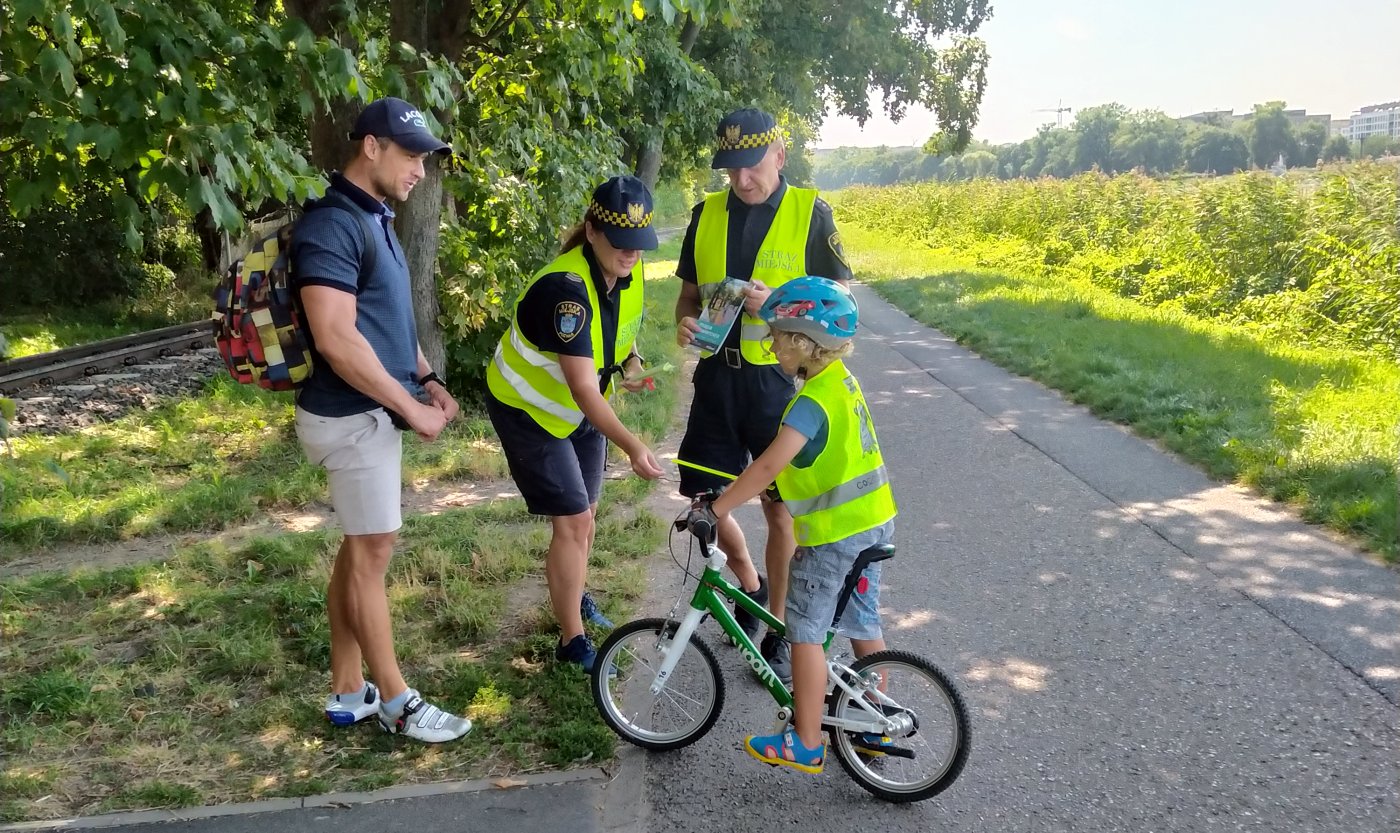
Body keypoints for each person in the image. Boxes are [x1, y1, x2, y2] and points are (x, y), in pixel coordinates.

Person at [290, 97, 472, 743]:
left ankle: (348, 688)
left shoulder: (375, 217)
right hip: (352, 418)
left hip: (372, 412)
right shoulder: (333, 225)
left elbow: (388, 323)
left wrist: (427, 380)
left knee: (358, 547)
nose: (421, 168)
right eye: (411, 154)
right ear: (371, 146)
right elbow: (338, 338)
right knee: (374, 551)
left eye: (426, 156)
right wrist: (409, 408)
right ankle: (396, 700)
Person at [675, 107, 854, 684]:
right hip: (717, 379)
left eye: (750, 166)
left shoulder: (810, 212)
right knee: (704, 497)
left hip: (776, 384)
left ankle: (778, 623)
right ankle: (748, 583)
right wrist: (684, 324)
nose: (741, 180)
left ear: (779, 153)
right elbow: (686, 297)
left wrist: (781, 301)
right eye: (730, 170)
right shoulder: (704, 215)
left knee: (779, 508)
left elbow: (841, 303)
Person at [693, 277, 896, 774]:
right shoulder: (840, 380)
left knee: (804, 632)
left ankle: (806, 741)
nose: (771, 344)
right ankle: (873, 722)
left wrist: (717, 508)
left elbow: (766, 464)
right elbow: (822, 458)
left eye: (778, 336)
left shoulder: (808, 402)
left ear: (803, 342)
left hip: (834, 540)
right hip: (873, 526)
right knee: (863, 625)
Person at [485, 175, 666, 672]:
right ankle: (572, 641)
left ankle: (574, 594)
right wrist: (632, 444)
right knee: (574, 521)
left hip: (577, 407)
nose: (631, 254)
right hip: (529, 409)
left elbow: (619, 331)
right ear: (592, 231)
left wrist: (630, 365)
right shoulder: (565, 290)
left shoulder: (626, 270)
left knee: (586, 513)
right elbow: (583, 388)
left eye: (639, 245)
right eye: (620, 243)